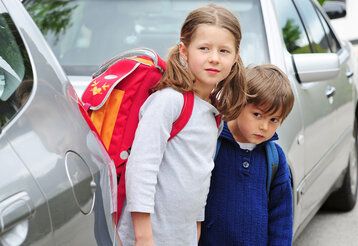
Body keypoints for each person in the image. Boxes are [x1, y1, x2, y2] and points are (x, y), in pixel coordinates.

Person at [117, 4, 247, 246]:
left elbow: (199, 173)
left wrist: (196, 225)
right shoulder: (170, 101)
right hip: (147, 237)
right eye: (204, 48)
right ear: (184, 51)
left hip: (181, 236)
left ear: (235, 57)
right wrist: (143, 235)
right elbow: (142, 167)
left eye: (224, 51)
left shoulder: (212, 111)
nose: (214, 58)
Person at [199, 64, 295, 246]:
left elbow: (281, 219)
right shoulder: (212, 143)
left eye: (274, 120)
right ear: (238, 103)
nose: (265, 127)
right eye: (257, 114)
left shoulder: (275, 158)